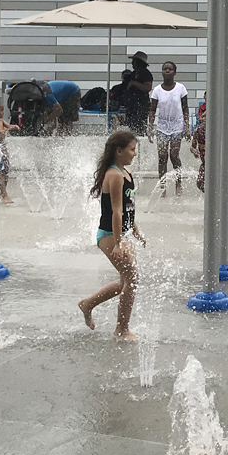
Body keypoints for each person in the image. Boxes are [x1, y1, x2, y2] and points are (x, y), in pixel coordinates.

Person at [77, 129, 143, 340]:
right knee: (132, 280)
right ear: (119, 151)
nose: (135, 154)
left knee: (126, 280)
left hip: (121, 234)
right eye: (132, 150)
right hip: (109, 235)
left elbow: (128, 206)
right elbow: (116, 211)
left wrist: (134, 228)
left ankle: (88, 304)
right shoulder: (114, 175)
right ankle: (121, 330)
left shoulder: (126, 173)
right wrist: (118, 242)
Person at [191, 101, 228, 196]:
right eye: (204, 119)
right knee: (200, 183)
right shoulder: (197, 132)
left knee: (221, 185)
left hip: (219, 164)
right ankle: (212, 197)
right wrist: (195, 151)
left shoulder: (218, 134)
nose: (204, 122)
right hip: (205, 164)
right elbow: (192, 147)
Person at [151, 61, 189, 189]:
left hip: (177, 126)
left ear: (175, 72)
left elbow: (185, 109)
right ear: (162, 72)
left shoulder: (181, 88)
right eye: (165, 69)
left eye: (170, 69)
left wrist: (187, 127)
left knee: (174, 155)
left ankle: (178, 183)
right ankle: (162, 186)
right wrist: (150, 126)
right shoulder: (157, 90)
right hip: (162, 127)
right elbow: (152, 110)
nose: (167, 71)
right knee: (162, 157)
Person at [0, 106, 18, 204]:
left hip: (3, 147)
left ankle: (3, 192)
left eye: (3, 110)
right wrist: (2, 131)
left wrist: (13, 127)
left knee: (6, 170)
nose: (2, 112)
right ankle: (4, 194)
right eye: (0, 110)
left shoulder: (1, 121)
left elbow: (8, 126)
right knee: (0, 170)